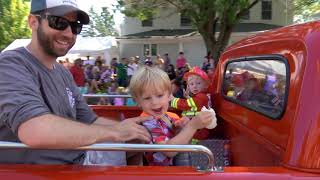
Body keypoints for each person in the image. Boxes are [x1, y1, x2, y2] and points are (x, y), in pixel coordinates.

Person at [0, 0, 151, 164]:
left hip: (79, 160)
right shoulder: (10, 64)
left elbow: (89, 120)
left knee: (148, 149)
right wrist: (117, 133)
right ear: (33, 22)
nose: (69, 34)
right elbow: (34, 130)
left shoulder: (63, 73)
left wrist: (130, 129)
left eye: (75, 26)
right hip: (40, 172)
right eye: (59, 22)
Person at [129, 66, 213, 166]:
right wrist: (192, 126)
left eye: (160, 95)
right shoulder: (148, 123)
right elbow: (169, 151)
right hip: (160, 174)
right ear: (137, 101)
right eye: (147, 98)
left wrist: (180, 129)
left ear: (169, 95)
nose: (155, 102)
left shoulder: (171, 117)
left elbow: (184, 142)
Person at [170, 66, 212, 140]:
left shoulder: (201, 97)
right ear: (188, 86)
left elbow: (185, 105)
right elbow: (196, 105)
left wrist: (172, 100)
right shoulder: (202, 96)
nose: (195, 86)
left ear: (205, 85)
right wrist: (188, 97)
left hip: (198, 131)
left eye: (198, 83)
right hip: (199, 127)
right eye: (191, 84)